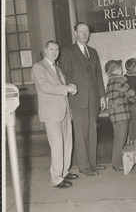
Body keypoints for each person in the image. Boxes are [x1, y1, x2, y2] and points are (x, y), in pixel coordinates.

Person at [60, 22, 106, 176]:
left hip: (93, 98)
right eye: (81, 31)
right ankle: (84, 166)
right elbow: (66, 73)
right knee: (80, 133)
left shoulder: (93, 52)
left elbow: (98, 75)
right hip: (78, 98)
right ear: (75, 33)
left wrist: (102, 96)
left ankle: (93, 162)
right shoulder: (68, 51)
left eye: (86, 31)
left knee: (92, 130)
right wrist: (70, 84)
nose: (85, 34)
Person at [32, 40, 79, 188]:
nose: (54, 52)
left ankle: (64, 171)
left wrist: (69, 87)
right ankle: (56, 179)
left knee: (67, 143)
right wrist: (66, 88)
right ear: (46, 50)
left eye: (57, 50)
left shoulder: (57, 69)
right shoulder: (38, 67)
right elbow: (45, 87)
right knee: (57, 146)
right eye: (51, 49)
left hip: (64, 111)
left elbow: (60, 88)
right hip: (51, 113)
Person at [105, 60, 136, 171]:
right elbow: (130, 93)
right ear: (116, 69)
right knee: (121, 139)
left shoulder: (110, 81)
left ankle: (116, 162)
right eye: (121, 68)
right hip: (122, 114)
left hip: (114, 114)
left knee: (117, 138)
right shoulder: (120, 80)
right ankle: (117, 164)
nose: (122, 70)